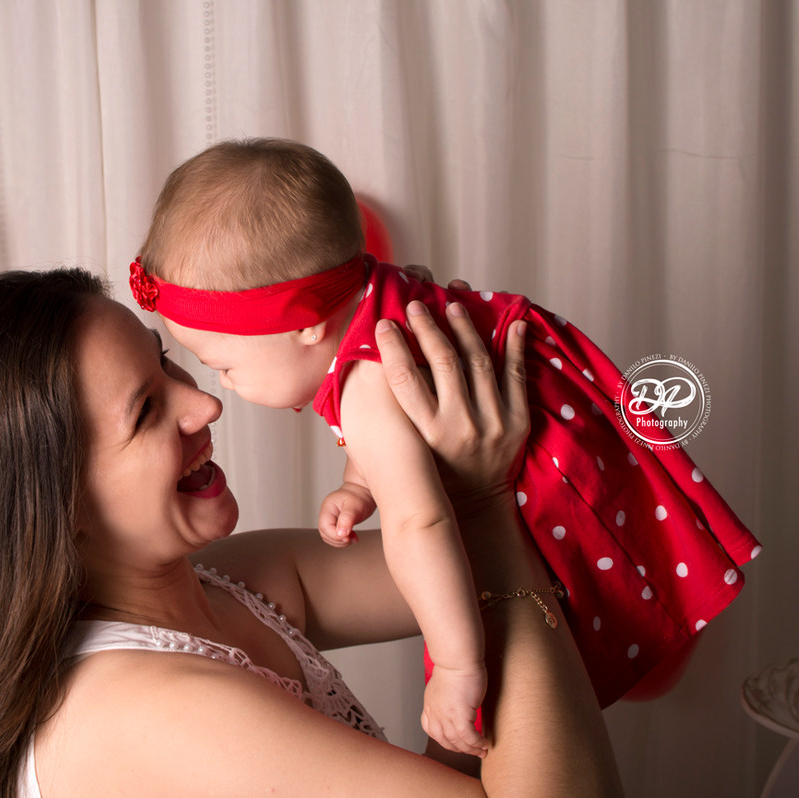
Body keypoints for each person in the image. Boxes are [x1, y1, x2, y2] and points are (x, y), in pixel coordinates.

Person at [0, 266, 622, 797]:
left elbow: (523, 580)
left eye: (167, 363)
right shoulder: (142, 708)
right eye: (146, 412)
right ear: (51, 506)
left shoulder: (227, 586)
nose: (203, 405)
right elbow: (503, 581)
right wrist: (476, 504)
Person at [129, 139, 761, 745]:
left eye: (227, 366)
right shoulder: (379, 300)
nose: (221, 388)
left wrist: (459, 668)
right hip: (578, 452)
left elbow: (422, 525)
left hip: (540, 504)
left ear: (305, 326)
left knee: (497, 699)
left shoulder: (367, 385)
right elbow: (403, 428)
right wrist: (359, 483)